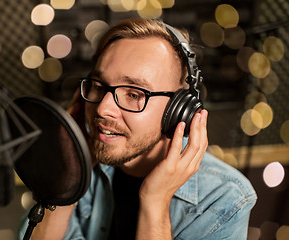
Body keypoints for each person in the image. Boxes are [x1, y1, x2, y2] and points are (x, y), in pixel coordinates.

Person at [19, 18, 257, 239]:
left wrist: (155, 201)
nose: (103, 108)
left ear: (178, 110)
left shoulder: (224, 198)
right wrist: (71, 169)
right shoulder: (74, 165)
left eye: (134, 94)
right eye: (99, 86)